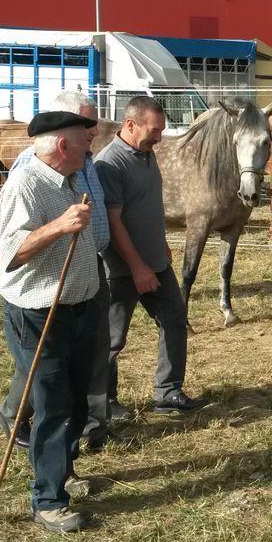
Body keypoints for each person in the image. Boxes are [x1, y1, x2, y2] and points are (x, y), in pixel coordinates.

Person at [0, 110, 100, 533]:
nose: (90, 150)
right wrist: (60, 226)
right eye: (85, 143)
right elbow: (11, 253)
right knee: (53, 404)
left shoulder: (73, 180)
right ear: (63, 146)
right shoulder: (25, 184)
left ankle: (63, 469)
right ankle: (48, 500)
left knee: (77, 400)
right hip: (39, 313)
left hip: (79, 306)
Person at [0, 90, 117, 452]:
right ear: (64, 136)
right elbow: (12, 253)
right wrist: (60, 226)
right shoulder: (29, 172)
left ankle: (89, 426)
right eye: (86, 126)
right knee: (42, 373)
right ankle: (17, 416)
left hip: (86, 271)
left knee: (91, 356)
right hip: (45, 293)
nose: (94, 132)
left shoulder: (85, 162)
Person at [95, 96, 209, 414]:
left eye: (162, 130)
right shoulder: (110, 163)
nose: (159, 137)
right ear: (130, 124)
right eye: (154, 130)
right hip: (123, 269)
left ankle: (168, 392)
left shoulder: (146, 154)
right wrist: (137, 267)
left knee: (174, 318)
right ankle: (103, 402)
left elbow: (146, 204)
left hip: (155, 262)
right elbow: (114, 221)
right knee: (112, 338)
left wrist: (159, 244)